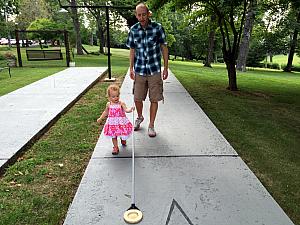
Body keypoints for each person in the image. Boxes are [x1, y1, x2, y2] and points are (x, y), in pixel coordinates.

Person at [126, 2, 169, 137]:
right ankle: (140, 117)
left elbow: (164, 48)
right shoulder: (133, 30)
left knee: (154, 99)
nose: (141, 17)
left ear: (148, 14)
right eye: (139, 15)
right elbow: (132, 50)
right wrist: (131, 68)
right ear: (136, 15)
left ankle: (151, 125)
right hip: (139, 69)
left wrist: (166, 67)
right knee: (137, 97)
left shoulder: (158, 28)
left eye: (143, 14)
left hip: (154, 69)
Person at [97, 84, 134, 155]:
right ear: (109, 97)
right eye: (113, 96)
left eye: (117, 96)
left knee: (122, 133)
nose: (116, 98)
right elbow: (106, 112)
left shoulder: (121, 103)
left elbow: (126, 110)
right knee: (113, 135)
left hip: (121, 123)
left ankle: (123, 139)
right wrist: (101, 118)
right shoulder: (109, 104)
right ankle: (115, 147)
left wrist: (130, 109)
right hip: (112, 123)